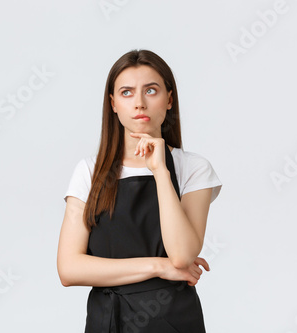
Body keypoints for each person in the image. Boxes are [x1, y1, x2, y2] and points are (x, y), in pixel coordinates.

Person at [57, 49, 223, 332]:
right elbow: (69, 269)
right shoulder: (89, 171)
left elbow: (182, 256)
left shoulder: (192, 168)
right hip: (108, 321)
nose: (139, 103)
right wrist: (160, 267)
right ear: (112, 104)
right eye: (126, 92)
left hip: (173, 321)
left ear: (169, 99)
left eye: (151, 90)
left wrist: (160, 171)